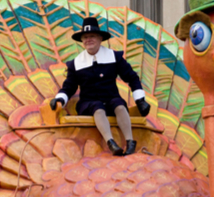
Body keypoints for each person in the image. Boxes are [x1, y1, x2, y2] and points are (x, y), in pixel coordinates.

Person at [50, 17, 150, 156]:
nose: (88, 40)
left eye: (92, 36)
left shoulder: (114, 57)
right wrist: (59, 99)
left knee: (120, 105)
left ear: (100, 38)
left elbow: (132, 77)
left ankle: (130, 142)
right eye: (85, 37)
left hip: (111, 99)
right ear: (82, 41)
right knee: (98, 108)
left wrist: (140, 100)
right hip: (89, 103)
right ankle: (111, 143)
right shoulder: (76, 63)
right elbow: (69, 87)